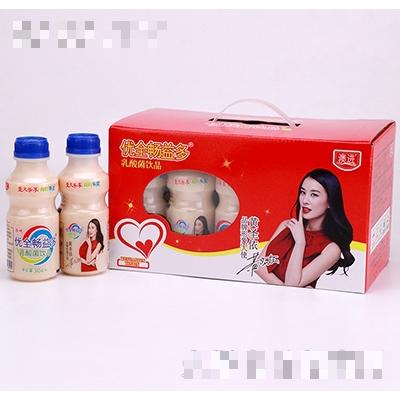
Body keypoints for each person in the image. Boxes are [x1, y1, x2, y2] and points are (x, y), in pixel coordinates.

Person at [255, 168, 354, 288]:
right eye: (303, 192)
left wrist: (300, 243)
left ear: (330, 202)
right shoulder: (287, 226)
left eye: (314, 195)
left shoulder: (331, 249)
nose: (305, 200)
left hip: (300, 300)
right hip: (268, 296)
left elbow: (292, 284)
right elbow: (259, 266)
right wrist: (284, 290)